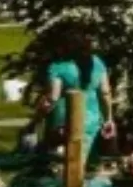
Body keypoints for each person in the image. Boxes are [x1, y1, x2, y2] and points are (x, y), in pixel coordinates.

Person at [42, 28, 114, 163]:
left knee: (65, 164)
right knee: (84, 164)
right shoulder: (97, 62)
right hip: (92, 122)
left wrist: (37, 117)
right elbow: (105, 92)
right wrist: (109, 118)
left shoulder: (58, 67)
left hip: (65, 122)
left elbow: (53, 98)